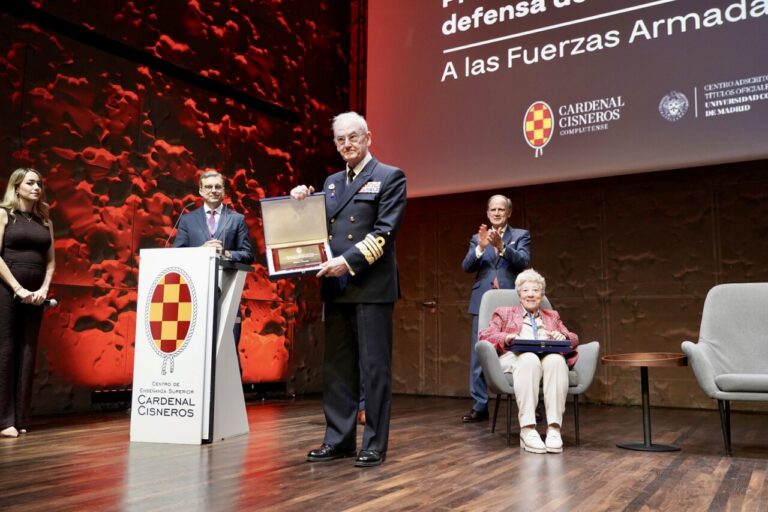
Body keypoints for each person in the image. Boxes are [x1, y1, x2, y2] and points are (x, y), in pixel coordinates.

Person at [291, 111, 406, 468]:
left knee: (373, 370)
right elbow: (319, 228)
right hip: (337, 286)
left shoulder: (390, 177)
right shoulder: (330, 183)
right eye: (340, 139)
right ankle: (338, 440)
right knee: (338, 369)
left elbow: (384, 233)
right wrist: (302, 200)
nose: (347, 144)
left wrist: (348, 262)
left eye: (353, 137)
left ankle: (373, 443)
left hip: (370, 285)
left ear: (368, 137)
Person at [479, 269, 578, 454]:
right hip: (516, 356)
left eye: (535, 290)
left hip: (547, 356)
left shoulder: (552, 316)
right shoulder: (504, 313)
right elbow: (486, 335)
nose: (531, 294)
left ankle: (554, 429)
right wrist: (506, 337)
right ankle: (528, 429)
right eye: (526, 290)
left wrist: (562, 335)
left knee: (556, 361)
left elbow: (573, 338)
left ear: (542, 294)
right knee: (529, 359)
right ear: (519, 294)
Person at [173, 169, 254, 367]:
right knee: (196, 354)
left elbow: (248, 254)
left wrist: (227, 253)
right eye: (208, 187)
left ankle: (227, 397)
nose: (213, 190)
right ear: (200, 191)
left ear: (224, 190)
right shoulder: (187, 219)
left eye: (218, 187)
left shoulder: (237, 219)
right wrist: (201, 251)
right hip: (194, 296)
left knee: (227, 354)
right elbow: (177, 253)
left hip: (226, 293)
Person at [461, 195, 530, 423]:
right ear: (488, 213)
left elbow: (523, 262)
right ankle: (480, 406)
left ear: (509, 213)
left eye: (501, 209)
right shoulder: (476, 237)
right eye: (493, 209)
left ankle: (529, 404)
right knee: (478, 355)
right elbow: (467, 266)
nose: (497, 213)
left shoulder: (520, 235)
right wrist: (480, 248)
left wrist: (502, 247)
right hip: (482, 301)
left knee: (520, 351)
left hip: (511, 301)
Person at [0, 168, 55, 438]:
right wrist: (18, 288)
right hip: (7, 290)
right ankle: (4, 420)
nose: (37, 187)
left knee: (27, 351)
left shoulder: (44, 220)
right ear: (17, 187)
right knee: (6, 350)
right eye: (30, 183)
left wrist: (43, 288)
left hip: (36, 294)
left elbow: (51, 260)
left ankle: (21, 417)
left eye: (39, 183)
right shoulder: (3, 214)